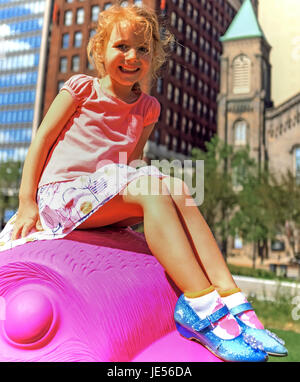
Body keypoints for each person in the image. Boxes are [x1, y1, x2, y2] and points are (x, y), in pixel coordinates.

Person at [0, 4, 286, 361]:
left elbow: (130, 164)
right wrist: (27, 203)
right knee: (155, 184)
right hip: (62, 196)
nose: (131, 56)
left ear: (153, 57)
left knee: (178, 187)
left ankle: (232, 299)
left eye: (143, 49)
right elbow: (41, 140)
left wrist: (157, 205)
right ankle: (200, 305)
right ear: (101, 51)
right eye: (121, 46)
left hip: (102, 195)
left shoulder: (148, 108)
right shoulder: (82, 89)